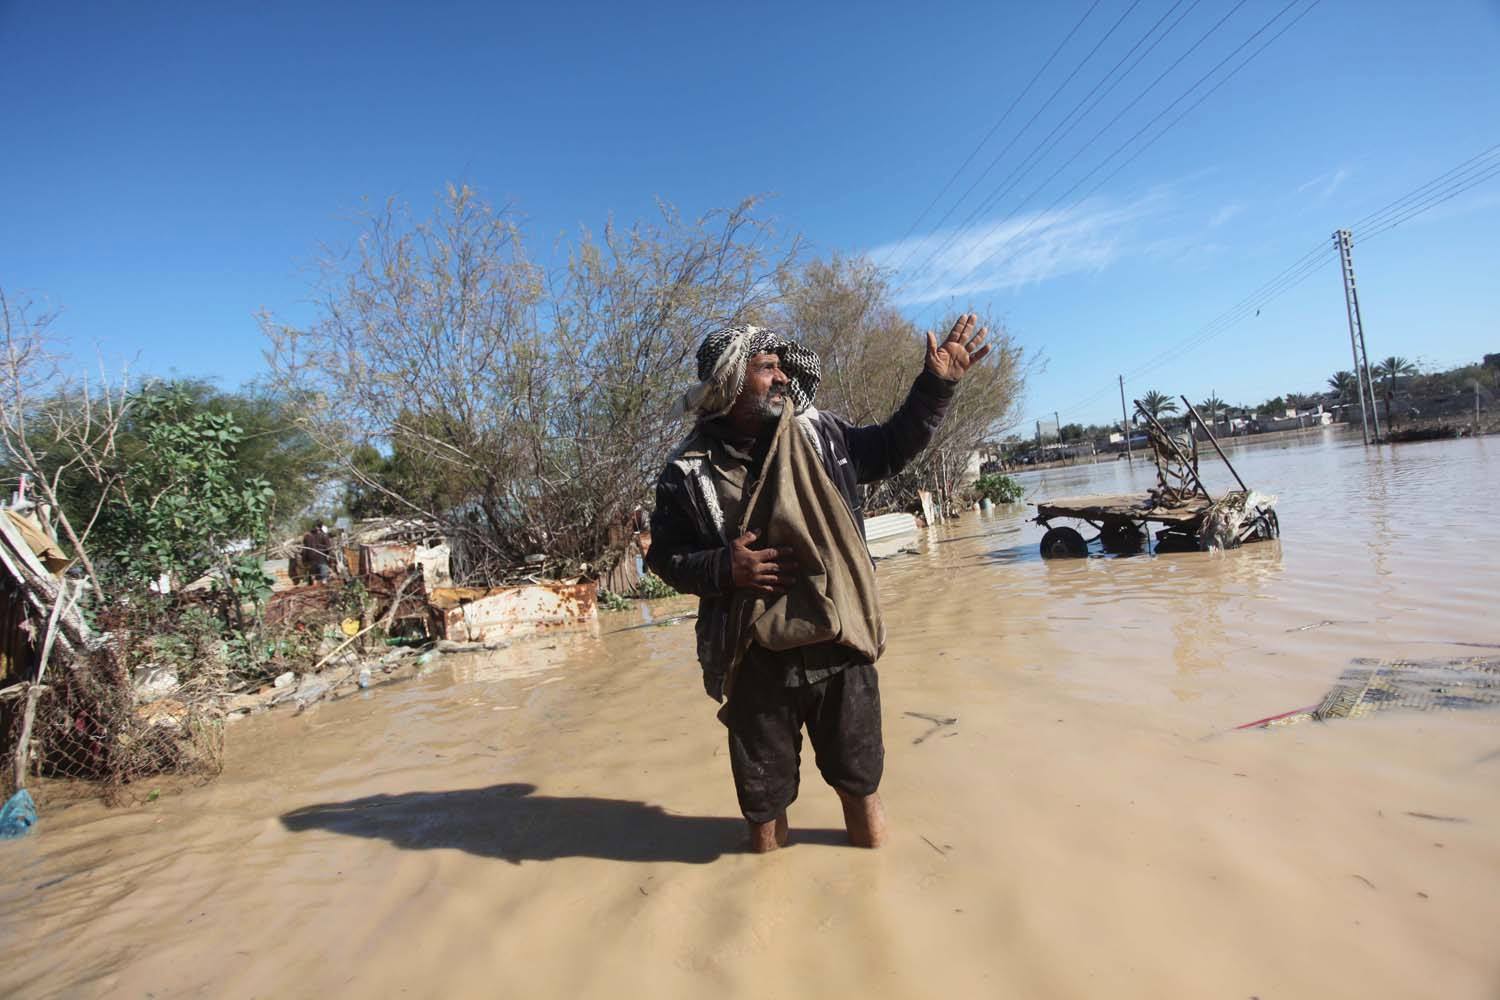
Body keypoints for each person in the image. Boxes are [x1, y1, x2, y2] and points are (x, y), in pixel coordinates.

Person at [645, 315, 990, 851]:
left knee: (862, 793)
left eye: (783, 367)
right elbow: (664, 559)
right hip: (753, 661)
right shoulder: (687, 473)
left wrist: (936, 385)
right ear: (729, 384)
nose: (781, 377)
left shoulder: (821, 436)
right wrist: (724, 569)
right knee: (763, 816)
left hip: (839, 646)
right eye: (766, 368)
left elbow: (892, 447)